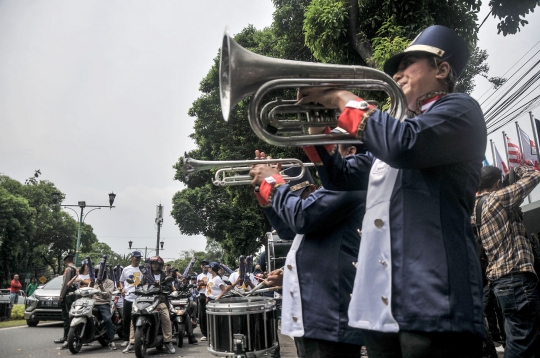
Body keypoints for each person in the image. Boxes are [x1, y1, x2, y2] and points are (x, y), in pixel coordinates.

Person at [285, 25, 486, 356]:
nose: (397, 73)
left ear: (442, 69)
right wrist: (316, 127)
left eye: (409, 63)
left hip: (434, 301)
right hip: (379, 307)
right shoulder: (396, 133)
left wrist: (341, 97)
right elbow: (340, 177)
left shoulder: (460, 109)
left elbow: (404, 144)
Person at [250, 160, 365, 358]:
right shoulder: (321, 208)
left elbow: (299, 217)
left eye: (293, 198)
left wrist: (272, 182)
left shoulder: (342, 187)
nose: (288, 205)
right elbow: (287, 229)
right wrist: (263, 190)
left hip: (327, 317)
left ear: (311, 188)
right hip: (312, 317)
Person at [474, 165, 540, 356]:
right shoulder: (498, 199)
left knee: (521, 338)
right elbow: (534, 175)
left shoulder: (477, 207)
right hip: (517, 278)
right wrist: (517, 168)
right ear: (497, 182)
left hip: (501, 283)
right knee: (522, 343)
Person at [138, 256, 176, 354]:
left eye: (156, 264)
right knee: (134, 314)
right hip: (146, 300)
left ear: (160, 265)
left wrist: (164, 288)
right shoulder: (146, 275)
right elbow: (140, 286)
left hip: (160, 301)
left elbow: (169, 288)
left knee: (166, 318)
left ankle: (168, 342)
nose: (154, 265)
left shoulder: (164, 275)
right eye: (153, 264)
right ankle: (132, 341)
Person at [119, 251, 142, 353]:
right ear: (132, 258)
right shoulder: (126, 269)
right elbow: (121, 281)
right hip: (129, 297)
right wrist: (122, 289)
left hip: (140, 297)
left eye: (139, 258)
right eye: (136, 257)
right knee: (127, 318)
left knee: (138, 318)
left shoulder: (143, 269)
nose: (137, 259)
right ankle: (125, 339)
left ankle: (138, 338)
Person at [55, 255, 78, 348]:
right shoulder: (76, 269)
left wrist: (61, 296)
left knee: (66, 317)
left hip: (67, 295)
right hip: (73, 295)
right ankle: (70, 337)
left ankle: (67, 338)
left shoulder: (68, 269)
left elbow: (65, 284)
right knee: (71, 317)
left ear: (65, 262)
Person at [92, 269, 117, 350]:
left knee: (107, 319)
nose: (98, 274)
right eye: (96, 272)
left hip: (103, 303)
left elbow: (107, 295)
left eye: (99, 272)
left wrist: (101, 286)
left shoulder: (110, 282)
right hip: (92, 303)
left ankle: (111, 340)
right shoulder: (93, 282)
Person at [196, 259, 211, 341]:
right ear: (201, 266)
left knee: (210, 315)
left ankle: (212, 332)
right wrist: (199, 285)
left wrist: (204, 283)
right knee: (202, 316)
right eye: (202, 264)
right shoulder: (199, 276)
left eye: (205, 264)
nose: (204, 266)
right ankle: (205, 334)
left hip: (209, 296)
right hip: (201, 295)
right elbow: (197, 289)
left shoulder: (211, 275)